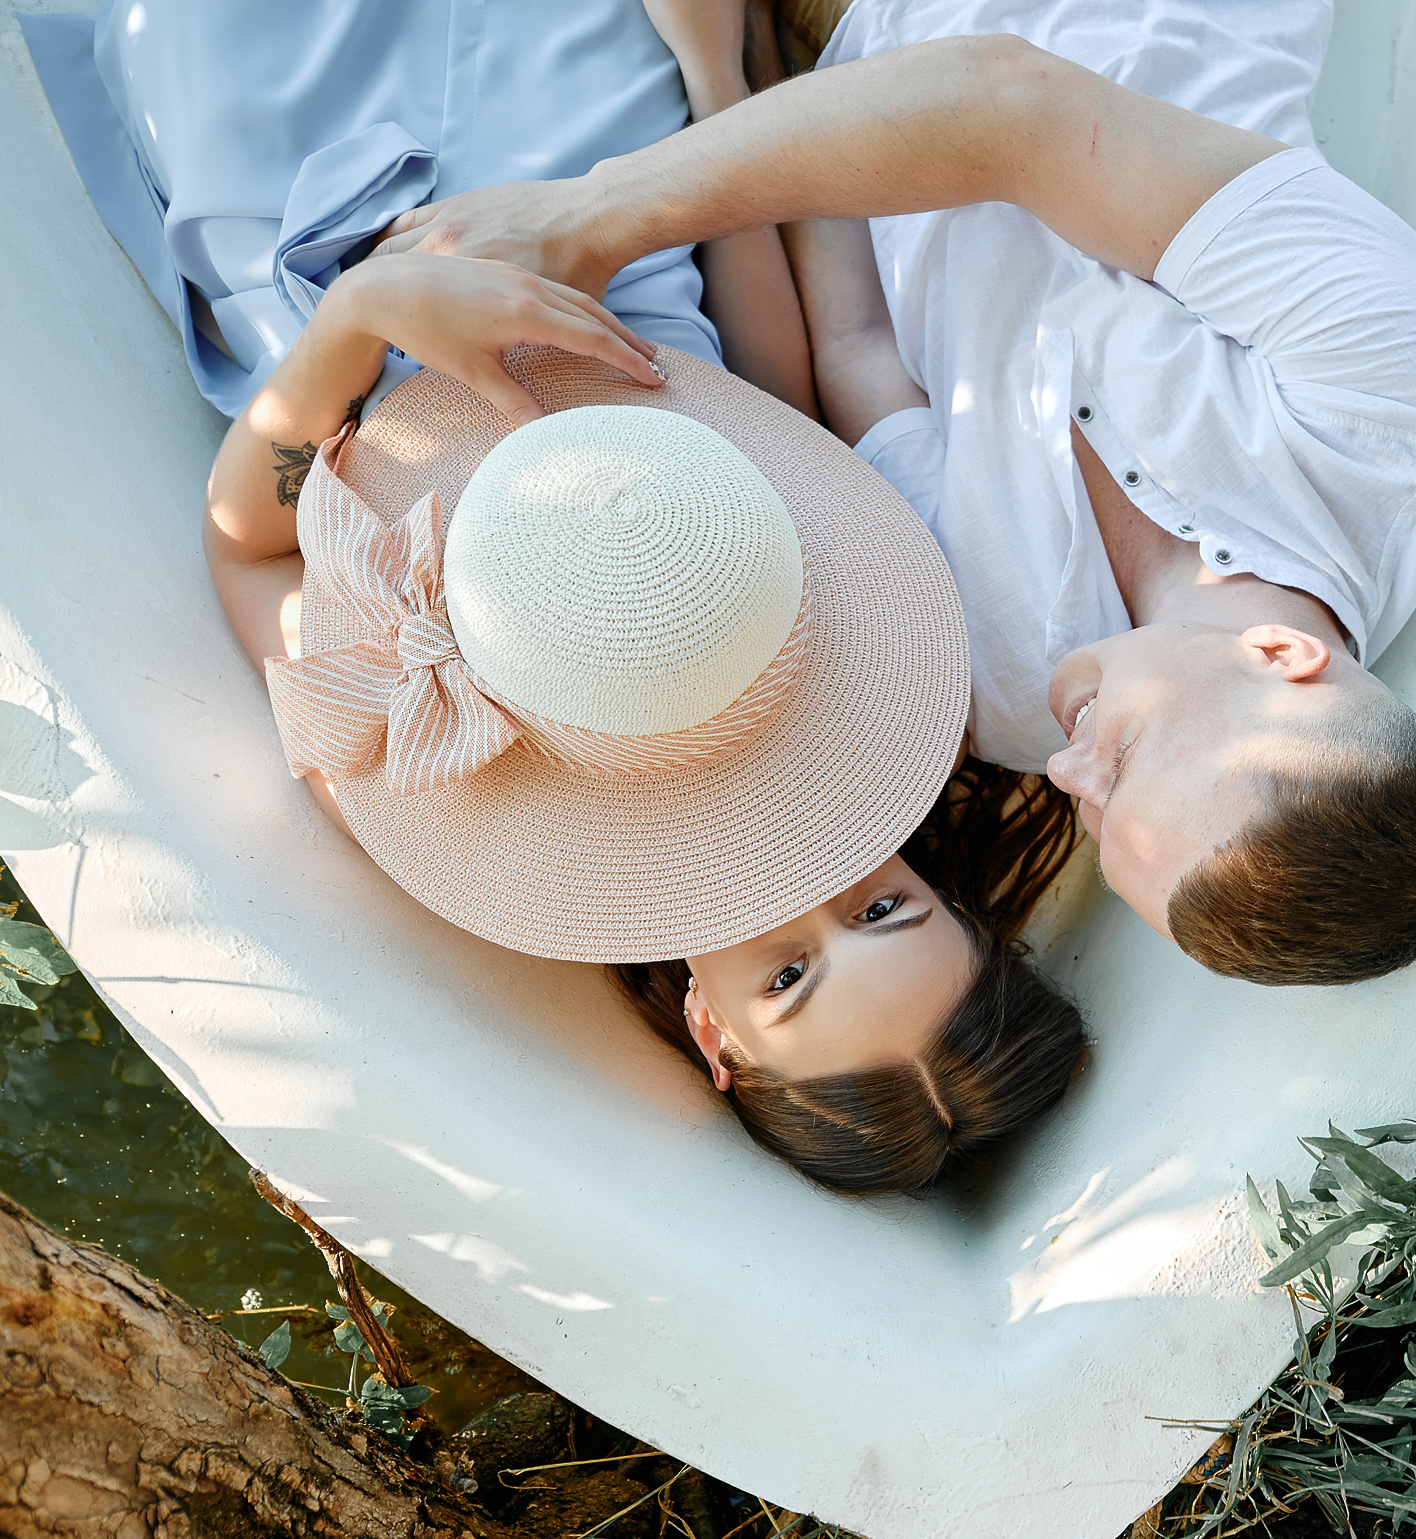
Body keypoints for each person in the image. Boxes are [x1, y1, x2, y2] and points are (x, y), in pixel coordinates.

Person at [31, 0, 1090, 1196]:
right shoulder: (859, 682)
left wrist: (360, 317)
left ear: (714, 1034)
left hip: (328, 272)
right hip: (594, 188)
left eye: (789, 976)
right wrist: (708, 61)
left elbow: (254, 552)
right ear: (939, 892)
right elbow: (775, 392)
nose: (823, 895)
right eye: (889, 910)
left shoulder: (456, 820)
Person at [384, 0, 1416, 986]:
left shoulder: (1008, 696)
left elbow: (863, 352)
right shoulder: (1393, 409)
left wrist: (750, 74)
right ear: (1284, 662)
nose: (1067, 766)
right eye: (1125, 759)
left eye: (1090, 810)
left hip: (832, 67)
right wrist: (588, 220)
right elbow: (1011, 106)